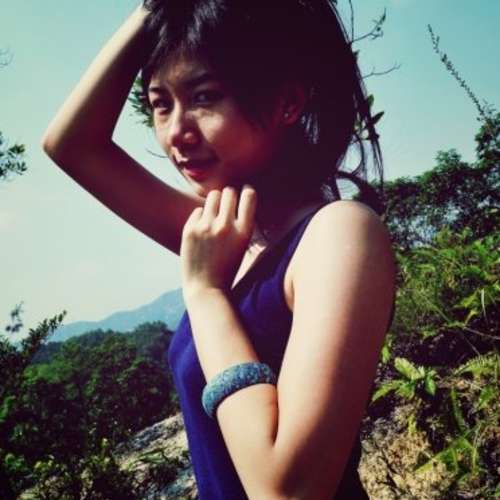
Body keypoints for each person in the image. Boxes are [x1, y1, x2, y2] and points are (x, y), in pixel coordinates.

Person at [41, 1, 396, 498]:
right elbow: (70, 145)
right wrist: (154, 9)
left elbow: (287, 491)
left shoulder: (339, 235)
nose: (176, 133)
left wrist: (206, 292)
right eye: (160, 104)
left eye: (204, 97)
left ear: (287, 102)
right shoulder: (227, 234)